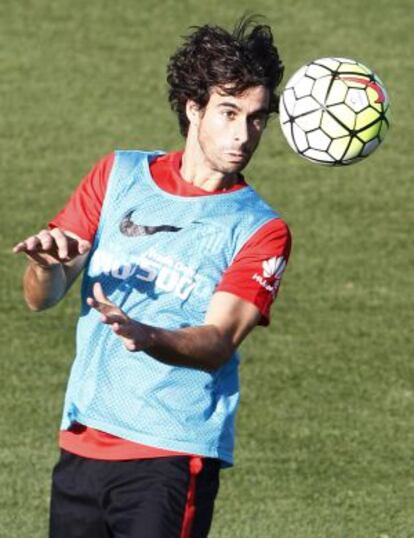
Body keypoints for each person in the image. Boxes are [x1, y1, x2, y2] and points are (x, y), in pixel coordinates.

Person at [14, 16, 291, 538]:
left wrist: (148, 337)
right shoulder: (117, 175)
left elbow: (216, 341)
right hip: (82, 440)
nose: (243, 134)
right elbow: (40, 299)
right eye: (229, 113)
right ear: (194, 108)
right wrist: (43, 267)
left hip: (170, 453)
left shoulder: (261, 229)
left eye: (256, 118)